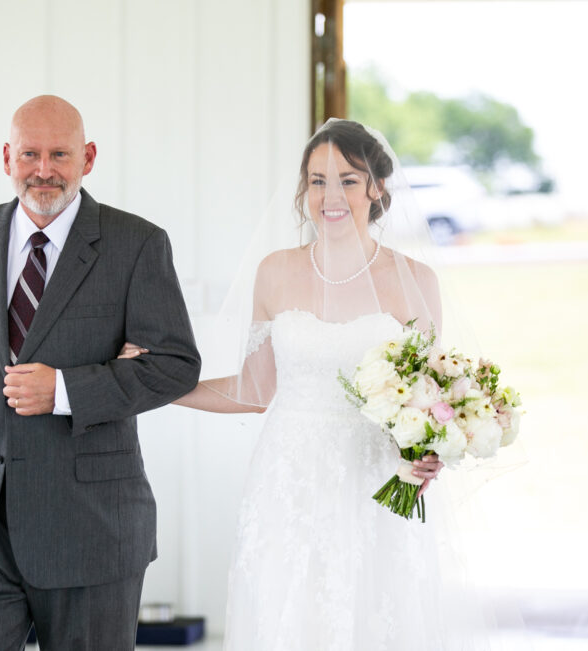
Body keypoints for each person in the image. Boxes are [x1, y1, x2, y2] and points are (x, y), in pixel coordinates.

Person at [123, 120, 502, 649]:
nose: (331, 196)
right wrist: (157, 383)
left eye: (348, 180)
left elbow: (432, 399)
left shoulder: (416, 280)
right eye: (317, 180)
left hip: (375, 486)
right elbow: (254, 392)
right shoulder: (275, 272)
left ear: (377, 189)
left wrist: (430, 450)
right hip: (289, 482)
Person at [0, 95, 201, 650]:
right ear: (7, 157)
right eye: (30, 153)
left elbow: (176, 366)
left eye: (60, 154)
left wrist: (68, 389)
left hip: (91, 528)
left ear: (89, 158)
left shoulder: (137, 244)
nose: (44, 170)